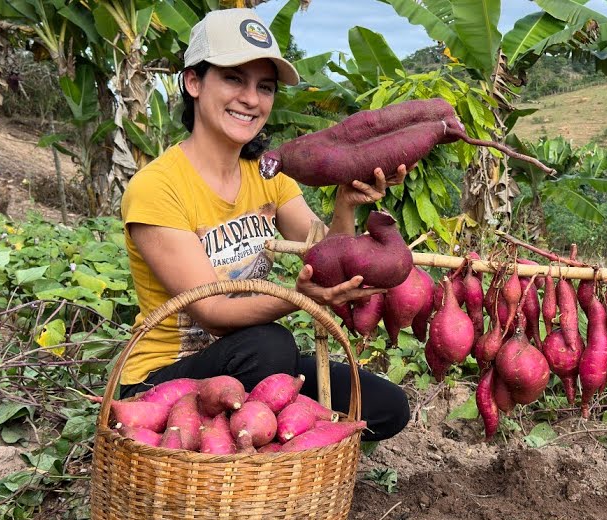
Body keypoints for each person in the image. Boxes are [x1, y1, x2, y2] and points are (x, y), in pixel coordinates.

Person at [117, 7, 409, 442]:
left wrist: (346, 203)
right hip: (165, 380)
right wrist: (298, 298)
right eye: (234, 79)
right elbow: (213, 313)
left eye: (265, 87)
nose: (251, 99)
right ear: (193, 82)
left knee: (386, 406)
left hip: (250, 366)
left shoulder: (268, 175)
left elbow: (328, 260)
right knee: (270, 346)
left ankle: (270, 451)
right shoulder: (156, 187)